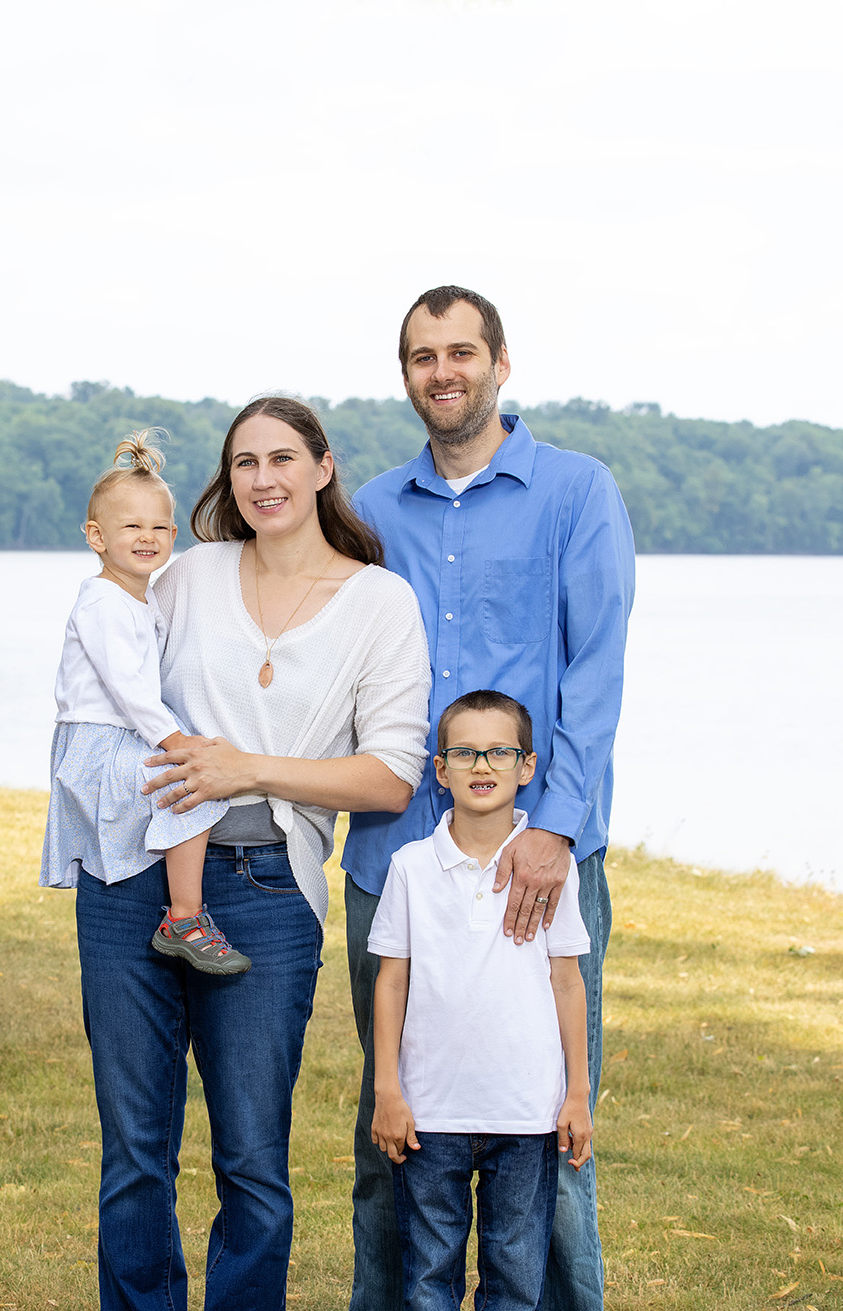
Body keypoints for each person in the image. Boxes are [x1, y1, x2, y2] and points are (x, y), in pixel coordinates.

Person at [78, 396, 432, 1311]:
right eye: (244, 463)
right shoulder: (187, 574)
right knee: (135, 1149)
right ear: (227, 480)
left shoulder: (378, 602)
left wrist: (246, 769)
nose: (264, 478)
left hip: (264, 888)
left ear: (321, 467)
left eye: (282, 458)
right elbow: (108, 671)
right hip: (130, 881)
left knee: (250, 1158)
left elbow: (391, 777)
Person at [344, 286, 635, 1311]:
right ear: (407, 376)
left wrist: (552, 823)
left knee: (548, 1124)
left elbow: (595, 670)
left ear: (501, 364)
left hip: (536, 858)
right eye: (423, 356)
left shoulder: (577, 492)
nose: (443, 371)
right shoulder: (372, 510)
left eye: (461, 351)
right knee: (395, 1125)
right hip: (398, 855)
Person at [370, 690, 592, 1311]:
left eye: (499, 751)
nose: (482, 766)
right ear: (440, 771)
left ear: (528, 767)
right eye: (465, 752)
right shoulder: (411, 867)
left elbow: (568, 982)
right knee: (424, 1283)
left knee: (516, 1284)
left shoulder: (554, 872)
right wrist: (388, 1090)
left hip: (525, 1114)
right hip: (429, 1115)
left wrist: (577, 1094)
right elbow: (392, 981)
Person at [40, 431, 247, 974]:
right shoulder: (103, 601)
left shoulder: (141, 597)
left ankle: (181, 911)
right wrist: (177, 743)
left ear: (174, 534)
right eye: (131, 526)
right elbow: (129, 689)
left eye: (159, 527)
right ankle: (184, 917)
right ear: (96, 536)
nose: (147, 537)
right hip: (98, 742)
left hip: (120, 735)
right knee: (194, 786)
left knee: (190, 784)